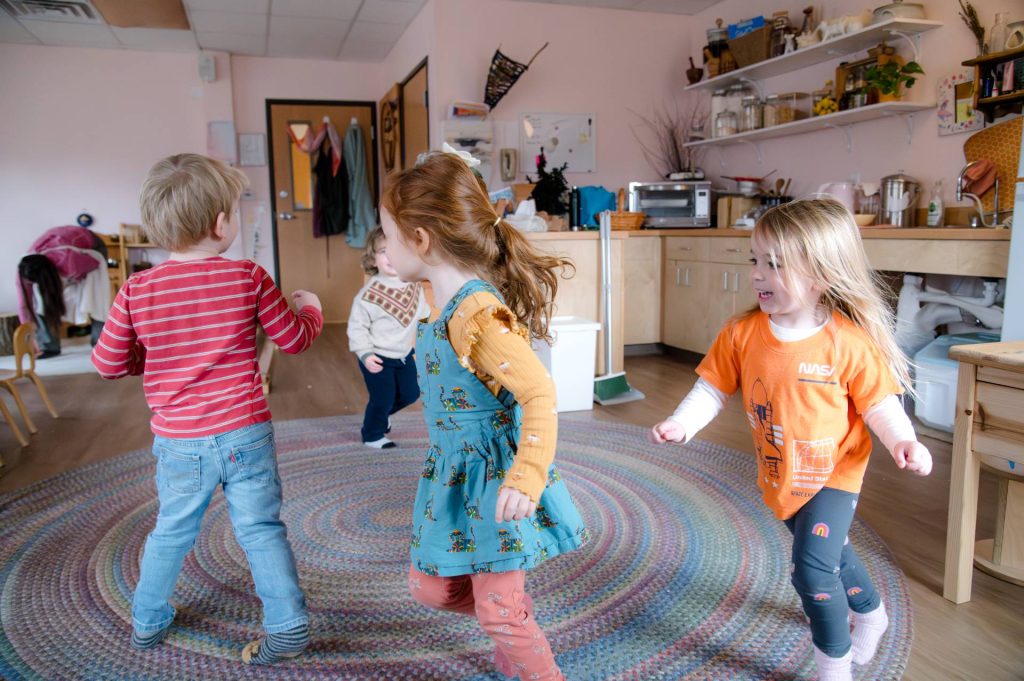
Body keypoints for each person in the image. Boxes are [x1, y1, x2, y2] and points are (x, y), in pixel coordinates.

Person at [649, 199, 932, 681]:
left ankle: (833, 668)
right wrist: (682, 422)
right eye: (755, 261)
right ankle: (871, 612)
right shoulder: (742, 333)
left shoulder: (848, 342)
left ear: (821, 274)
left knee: (812, 572)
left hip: (835, 473)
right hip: (783, 473)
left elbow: (879, 404)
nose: (758, 274)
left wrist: (903, 440)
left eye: (775, 264)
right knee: (832, 553)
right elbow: (712, 388)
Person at [91, 153, 323, 665]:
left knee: (171, 530)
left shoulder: (136, 289)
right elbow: (294, 340)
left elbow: (107, 363)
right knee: (261, 529)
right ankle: (287, 626)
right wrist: (311, 307)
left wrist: (154, 359)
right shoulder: (248, 277)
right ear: (221, 224)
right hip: (244, 432)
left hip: (181, 440)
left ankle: (147, 622)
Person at [382, 150, 587, 681]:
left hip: (496, 480)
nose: (383, 247)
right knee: (431, 587)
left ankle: (526, 653)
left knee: (497, 607)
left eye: (388, 235)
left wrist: (529, 473)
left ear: (423, 240)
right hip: (454, 475)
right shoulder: (440, 298)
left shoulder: (477, 314)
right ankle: (510, 622)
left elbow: (539, 392)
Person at [347, 226, 430, 448]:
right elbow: (357, 328)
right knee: (382, 398)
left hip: (403, 354)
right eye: (384, 251)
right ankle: (372, 434)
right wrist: (365, 355)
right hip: (377, 357)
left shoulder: (413, 285)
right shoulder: (368, 295)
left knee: (411, 393)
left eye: (397, 250)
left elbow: (423, 312)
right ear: (373, 259)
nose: (392, 256)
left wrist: (429, 329)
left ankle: (382, 415)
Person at [17, 225, 111, 358]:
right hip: (58, 246)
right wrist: (29, 335)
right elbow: (24, 302)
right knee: (40, 303)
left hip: (93, 247)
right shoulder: (24, 267)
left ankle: (100, 342)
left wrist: (76, 280)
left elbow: (96, 262)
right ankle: (49, 346)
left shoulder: (69, 262)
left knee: (95, 298)